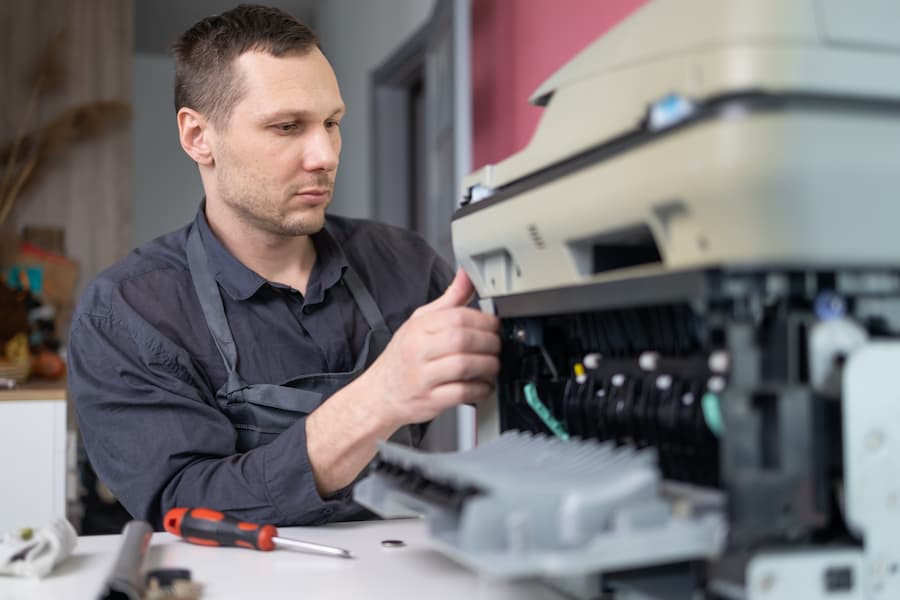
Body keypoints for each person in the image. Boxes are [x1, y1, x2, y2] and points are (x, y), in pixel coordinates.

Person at [68, 4, 500, 529]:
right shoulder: (127, 314)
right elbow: (185, 505)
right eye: (287, 126)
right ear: (197, 136)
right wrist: (377, 399)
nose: (324, 154)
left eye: (332, 123)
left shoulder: (407, 266)